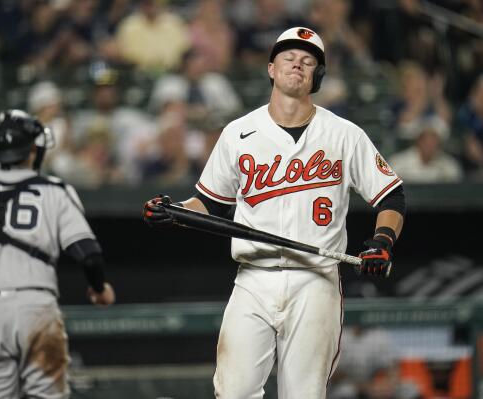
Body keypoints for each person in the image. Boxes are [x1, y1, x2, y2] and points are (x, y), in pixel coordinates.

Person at [143, 27, 406, 399]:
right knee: (232, 392)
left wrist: (382, 241)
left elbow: (391, 195)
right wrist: (176, 211)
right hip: (253, 278)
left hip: (314, 279)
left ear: (317, 76)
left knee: (302, 394)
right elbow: (211, 203)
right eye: (288, 57)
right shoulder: (238, 132)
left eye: (308, 61)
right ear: (270, 68)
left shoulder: (344, 134)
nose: (297, 64)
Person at [0, 109, 116, 399]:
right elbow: (88, 254)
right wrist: (100, 289)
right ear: (32, 150)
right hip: (35, 308)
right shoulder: (55, 190)